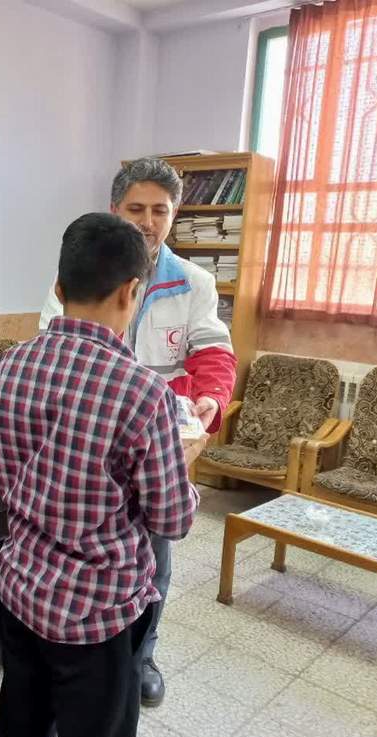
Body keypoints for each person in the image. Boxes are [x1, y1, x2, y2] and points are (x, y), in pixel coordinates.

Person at [0, 213, 202, 737]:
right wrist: (183, 463)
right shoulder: (145, 394)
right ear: (131, 292)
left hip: (21, 592)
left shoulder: (7, 367)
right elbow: (172, 519)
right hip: (99, 614)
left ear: (59, 288)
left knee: (20, 729)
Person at [37, 157, 237, 707]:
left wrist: (210, 400)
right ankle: (66, 639)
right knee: (81, 543)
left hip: (157, 439)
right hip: (87, 441)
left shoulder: (193, 282)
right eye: (136, 209)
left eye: (160, 211)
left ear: (174, 214)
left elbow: (214, 353)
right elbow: (51, 347)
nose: (148, 222)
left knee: (154, 553)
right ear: (115, 209)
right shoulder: (79, 275)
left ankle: (142, 653)